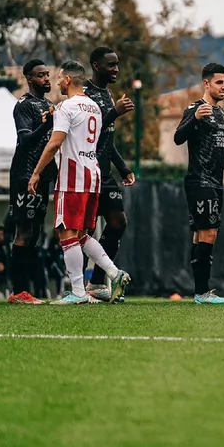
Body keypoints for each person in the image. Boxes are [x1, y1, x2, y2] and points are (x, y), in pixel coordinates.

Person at [28, 60, 132, 304]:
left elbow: (55, 142)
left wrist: (36, 172)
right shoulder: (94, 106)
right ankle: (115, 274)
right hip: (93, 174)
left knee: (66, 232)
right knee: (82, 235)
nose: (57, 83)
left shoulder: (66, 106)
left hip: (72, 177)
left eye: (59, 79)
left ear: (66, 80)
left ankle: (77, 292)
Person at [173, 62, 224, 304]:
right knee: (208, 233)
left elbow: (222, 150)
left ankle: (200, 292)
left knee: (202, 236)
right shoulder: (195, 108)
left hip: (216, 183)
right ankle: (202, 292)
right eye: (219, 82)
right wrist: (193, 118)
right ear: (206, 83)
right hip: (199, 181)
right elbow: (178, 137)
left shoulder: (222, 115)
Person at [83, 47, 137, 301]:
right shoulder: (84, 95)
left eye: (117, 64)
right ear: (96, 66)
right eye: (111, 64)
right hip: (85, 171)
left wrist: (123, 167)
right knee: (84, 230)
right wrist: (114, 112)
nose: (116, 69)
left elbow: (107, 138)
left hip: (104, 174)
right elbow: (87, 132)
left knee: (118, 223)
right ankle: (76, 288)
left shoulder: (107, 93)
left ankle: (95, 283)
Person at [7, 59, 55, 304]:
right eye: (40, 75)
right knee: (24, 231)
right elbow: (26, 141)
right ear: (29, 78)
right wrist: (46, 124)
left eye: (47, 74)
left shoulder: (49, 105)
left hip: (43, 175)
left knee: (35, 232)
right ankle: (18, 292)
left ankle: (27, 291)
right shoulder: (24, 105)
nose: (46, 79)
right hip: (25, 175)